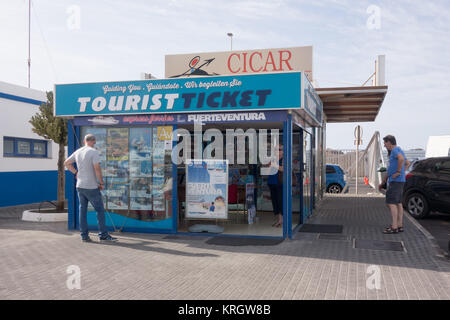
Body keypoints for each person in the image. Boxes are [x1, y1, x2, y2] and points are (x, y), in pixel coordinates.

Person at [64, 134, 118, 242]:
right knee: (100, 210)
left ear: (84, 141)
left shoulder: (78, 151)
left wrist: (76, 173)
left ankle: (84, 236)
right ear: (93, 141)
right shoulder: (94, 152)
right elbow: (97, 169)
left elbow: (66, 163)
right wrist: (101, 182)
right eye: (94, 141)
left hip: (80, 185)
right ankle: (103, 234)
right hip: (91, 186)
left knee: (82, 211)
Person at [378, 135, 410, 234]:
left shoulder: (395, 151)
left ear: (389, 142)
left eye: (385, 143)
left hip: (395, 181)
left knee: (391, 203)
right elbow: (407, 163)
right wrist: (383, 182)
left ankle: (394, 226)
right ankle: (399, 225)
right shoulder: (399, 149)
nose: (384, 145)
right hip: (399, 181)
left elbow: (401, 160)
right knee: (398, 203)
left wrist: (399, 172)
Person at [267, 144, 284, 227]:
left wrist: (274, 165)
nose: (277, 151)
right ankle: (279, 219)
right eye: (276, 150)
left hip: (279, 184)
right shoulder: (274, 159)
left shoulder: (284, 159)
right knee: (275, 202)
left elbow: (283, 169)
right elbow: (268, 167)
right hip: (272, 182)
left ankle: (281, 220)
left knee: (280, 201)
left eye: (279, 149)